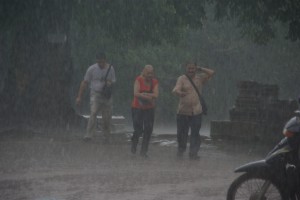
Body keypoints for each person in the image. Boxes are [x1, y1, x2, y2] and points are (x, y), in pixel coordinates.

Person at [172, 61, 214, 160]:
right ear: (185, 69)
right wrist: (179, 92)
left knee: (195, 133)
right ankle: (181, 150)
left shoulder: (200, 78)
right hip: (183, 111)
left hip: (196, 110)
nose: (191, 70)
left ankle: (193, 153)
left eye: (193, 68)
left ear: (195, 69)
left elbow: (212, 72)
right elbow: (175, 89)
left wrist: (200, 68)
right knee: (182, 133)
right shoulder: (181, 78)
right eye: (189, 68)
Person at [76, 52, 116, 142]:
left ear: (105, 60)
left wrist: (109, 84)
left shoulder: (111, 69)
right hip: (96, 94)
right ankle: (89, 135)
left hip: (106, 95)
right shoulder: (92, 69)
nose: (101, 64)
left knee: (106, 117)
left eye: (102, 62)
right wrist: (79, 96)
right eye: (99, 62)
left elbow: (113, 81)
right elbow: (85, 82)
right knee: (93, 113)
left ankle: (106, 136)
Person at [131, 65, 159, 157]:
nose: (150, 75)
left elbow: (156, 95)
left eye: (151, 73)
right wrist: (149, 97)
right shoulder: (138, 79)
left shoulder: (154, 81)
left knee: (148, 129)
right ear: (143, 72)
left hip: (149, 109)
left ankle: (144, 151)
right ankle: (134, 145)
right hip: (137, 108)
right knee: (138, 129)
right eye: (148, 73)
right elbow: (135, 93)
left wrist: (143, 94)